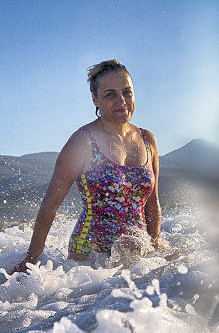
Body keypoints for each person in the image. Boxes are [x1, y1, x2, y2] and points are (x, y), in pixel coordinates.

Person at [11, 60, 161, 273]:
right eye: (110, 94)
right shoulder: (82, 142)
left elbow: (152, 205)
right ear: (95, 99)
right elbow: (50, 205)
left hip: (138, 257)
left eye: (127, 92)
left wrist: (155, 249)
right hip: (89, 262)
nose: (121, 101)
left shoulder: (148, 140)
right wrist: (30, 260)